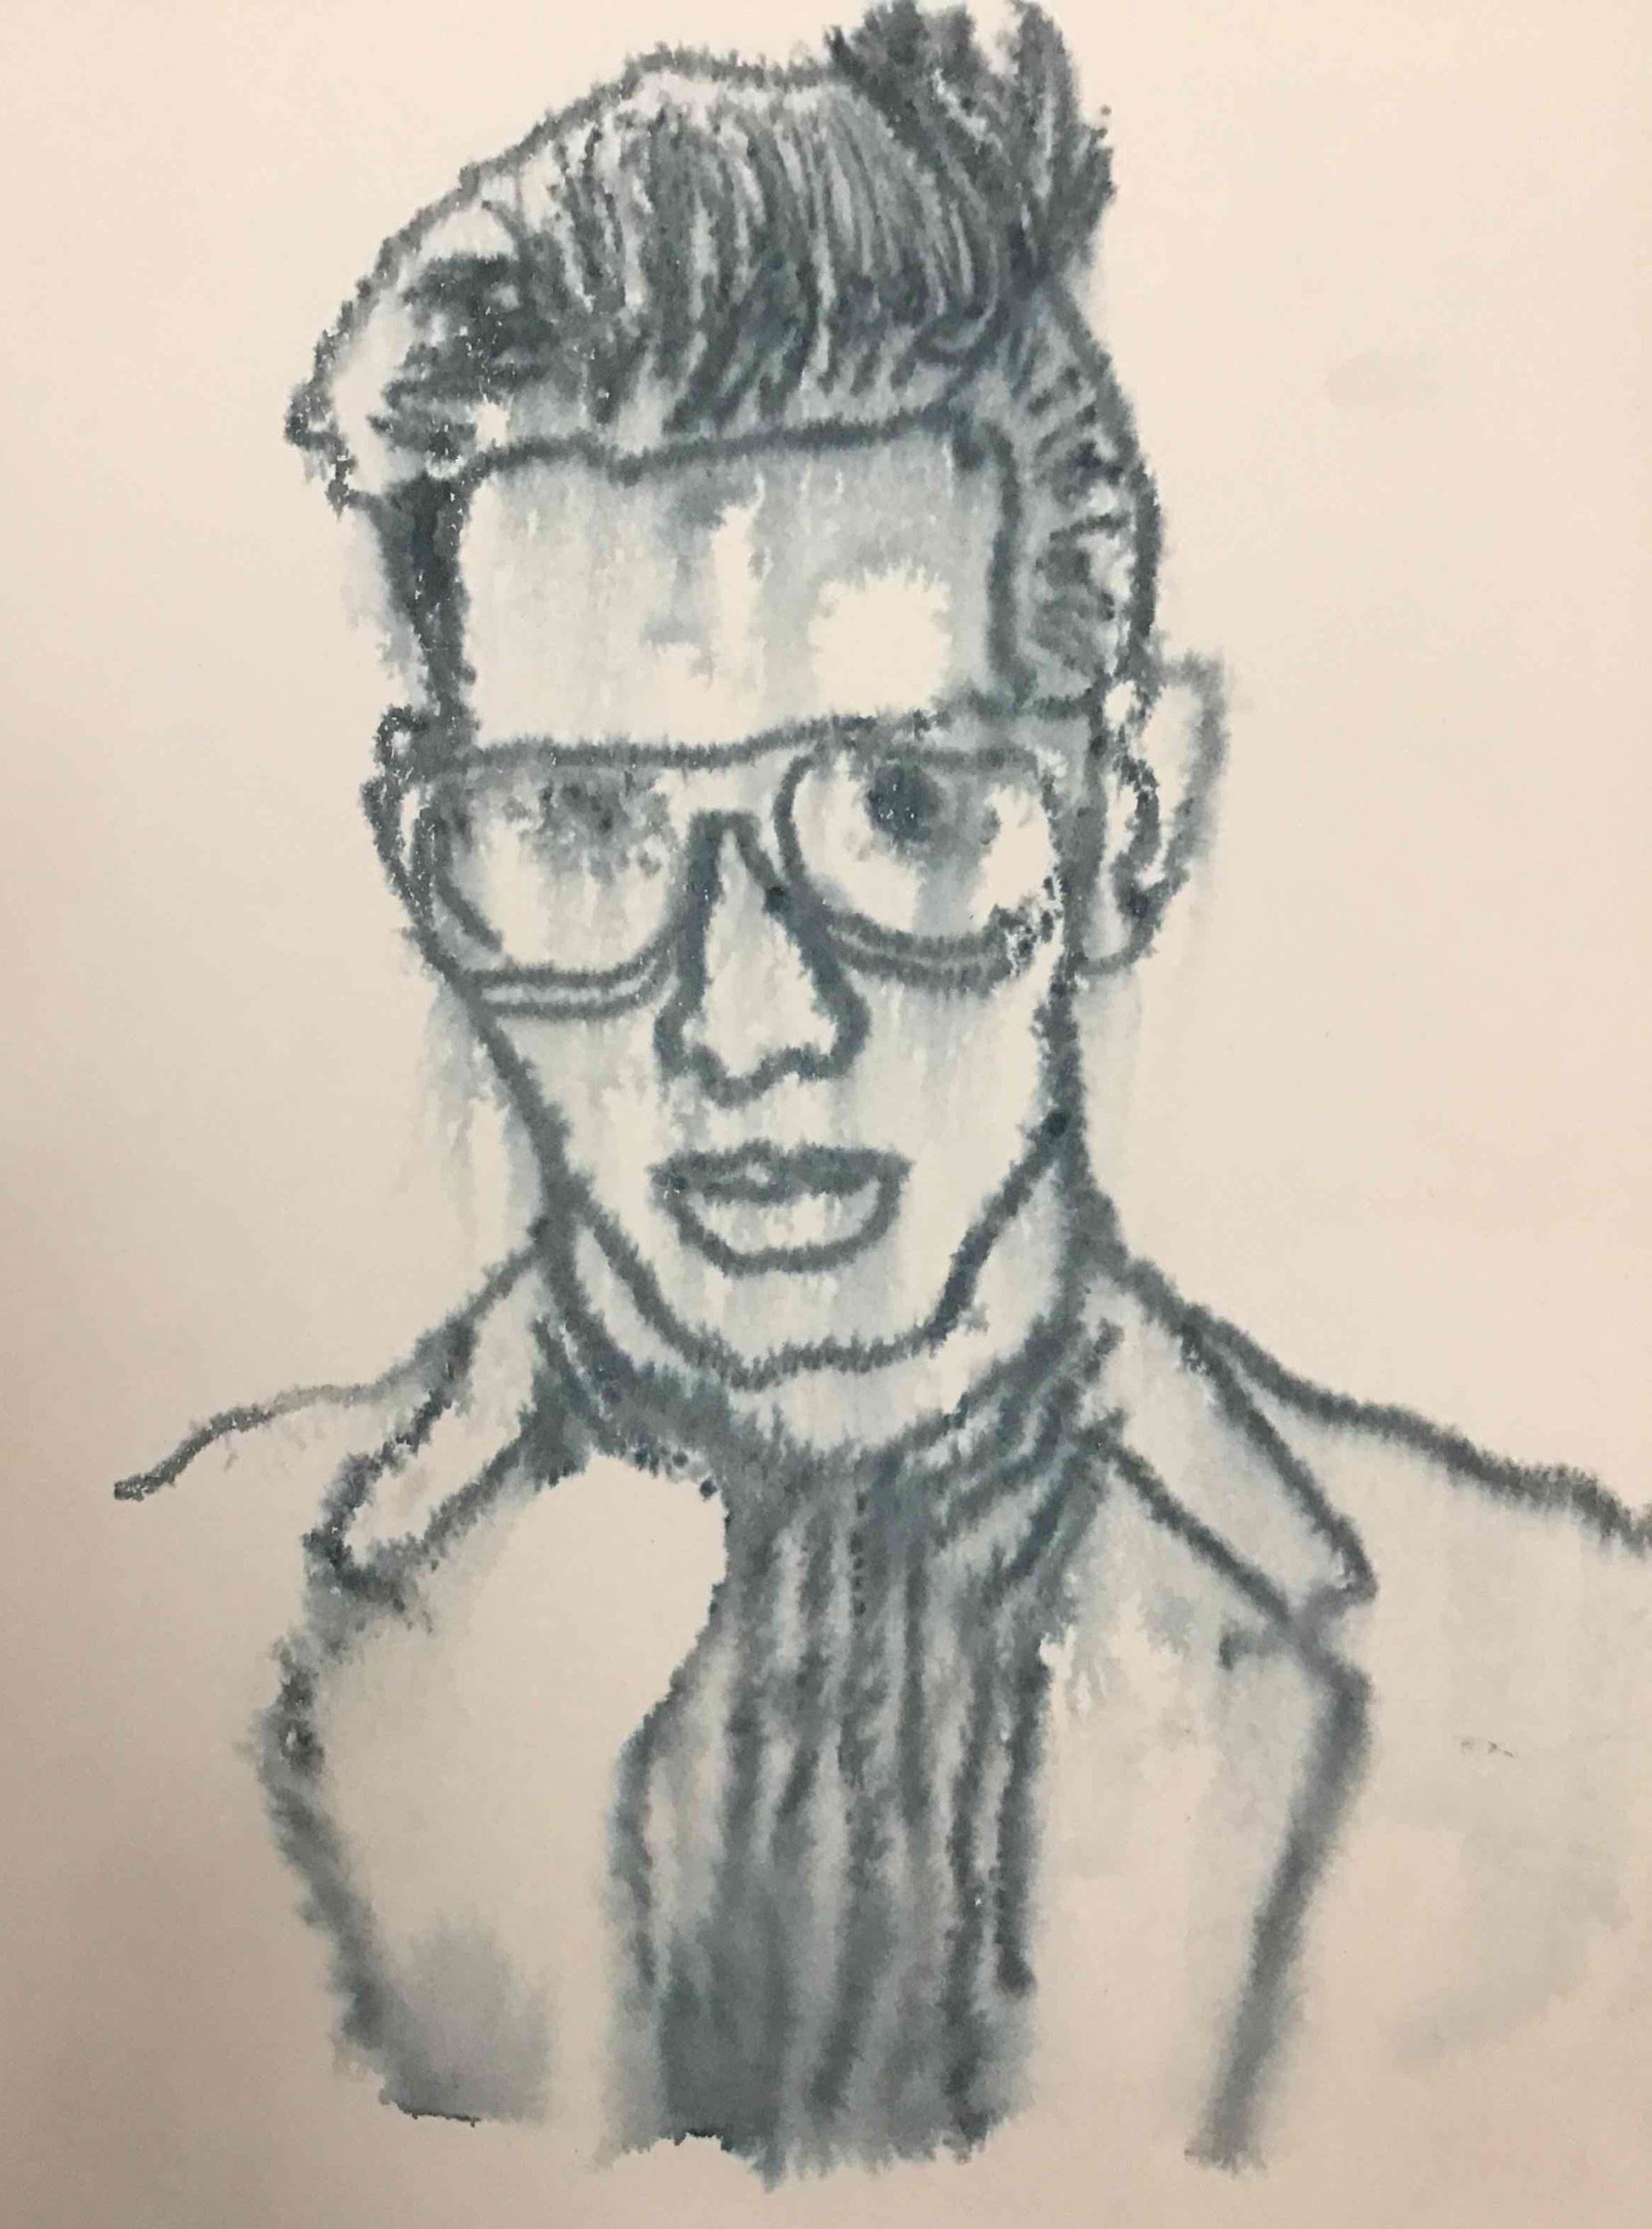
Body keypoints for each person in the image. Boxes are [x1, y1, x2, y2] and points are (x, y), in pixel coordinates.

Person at [121, 0, 1648, 2183]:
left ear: (1130, 815)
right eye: (584, 825)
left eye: (907, 806)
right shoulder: (142, 1629)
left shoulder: (1582, 1683)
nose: (749, 1022)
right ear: (426, 862)